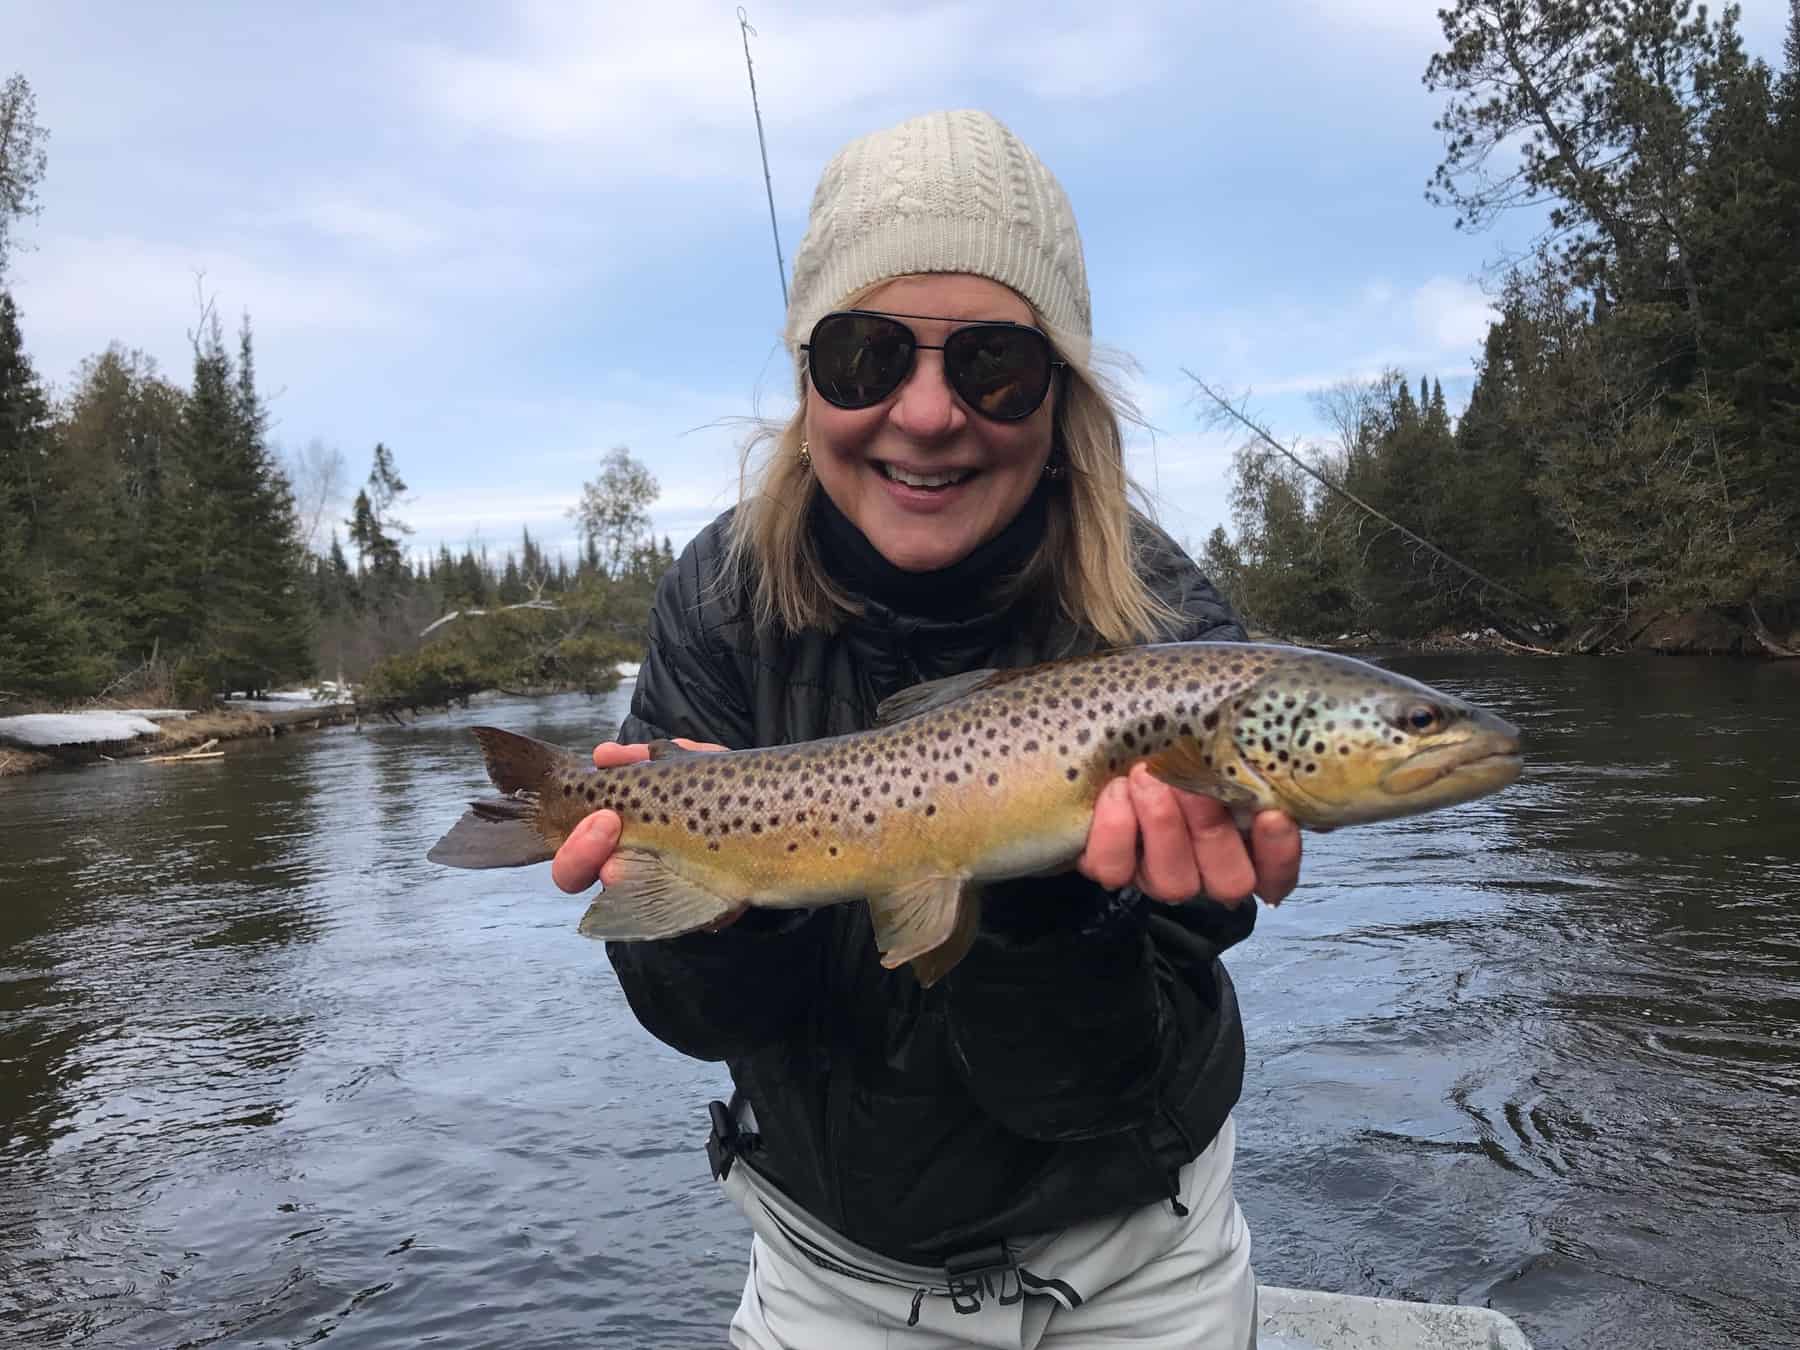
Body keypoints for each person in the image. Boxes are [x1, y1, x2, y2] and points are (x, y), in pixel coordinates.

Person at [550, 109, 1303, 1349]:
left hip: (1140, 1267)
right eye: (864, 357)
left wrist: (1051, 899)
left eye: (992, 363)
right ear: (807, 383)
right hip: (825, 1278)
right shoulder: (718, 602)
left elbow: (1099, 1083)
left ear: (1057, 396)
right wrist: (724, 902)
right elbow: (699, 1024)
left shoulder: (1174, 647)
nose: (929, 412)